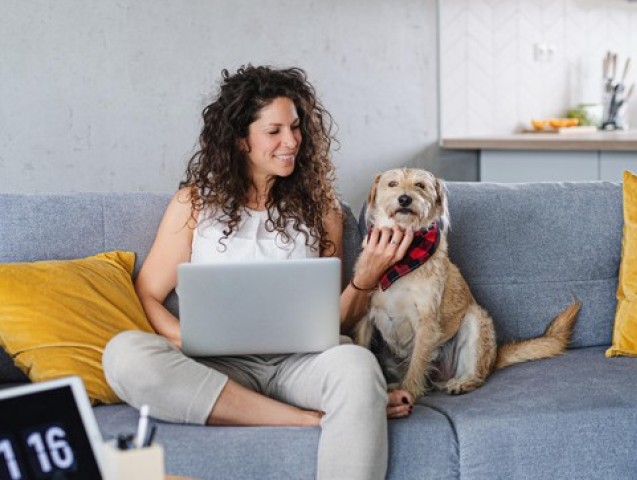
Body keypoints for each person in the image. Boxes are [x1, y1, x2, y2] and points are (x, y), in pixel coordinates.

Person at [103, 65, 415, 480]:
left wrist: (367, 277)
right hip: (217, 368)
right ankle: (307, 419)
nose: (292, 142)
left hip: (300, 365)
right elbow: (146, 294)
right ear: (240, 140)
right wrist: (182, 337)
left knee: (356, 366)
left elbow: (334, 319)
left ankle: (312, 408)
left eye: (296, 127)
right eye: (274, 131)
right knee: (125, 355)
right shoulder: (194, 204)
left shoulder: (322, 209)